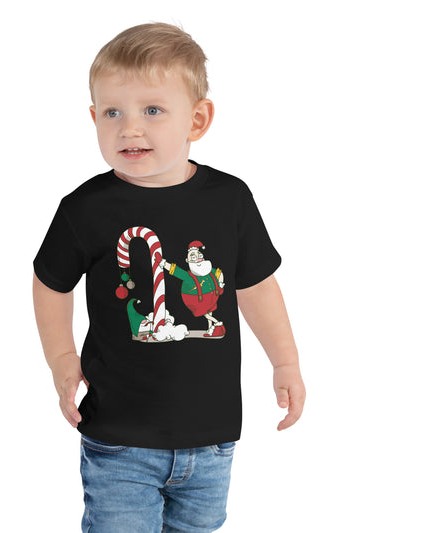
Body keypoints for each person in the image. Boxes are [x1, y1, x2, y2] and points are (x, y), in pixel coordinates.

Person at [33, 21, 306, 533]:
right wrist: (62, 358)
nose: (129, 128)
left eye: (152, 110)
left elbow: (256, 285)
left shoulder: (230, 200)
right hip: (119, 438)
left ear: (197, 120)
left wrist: (285, 361)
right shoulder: (84, 209)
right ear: (93, 118)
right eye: (112, 112)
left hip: (212, 438)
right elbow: (50, 282)